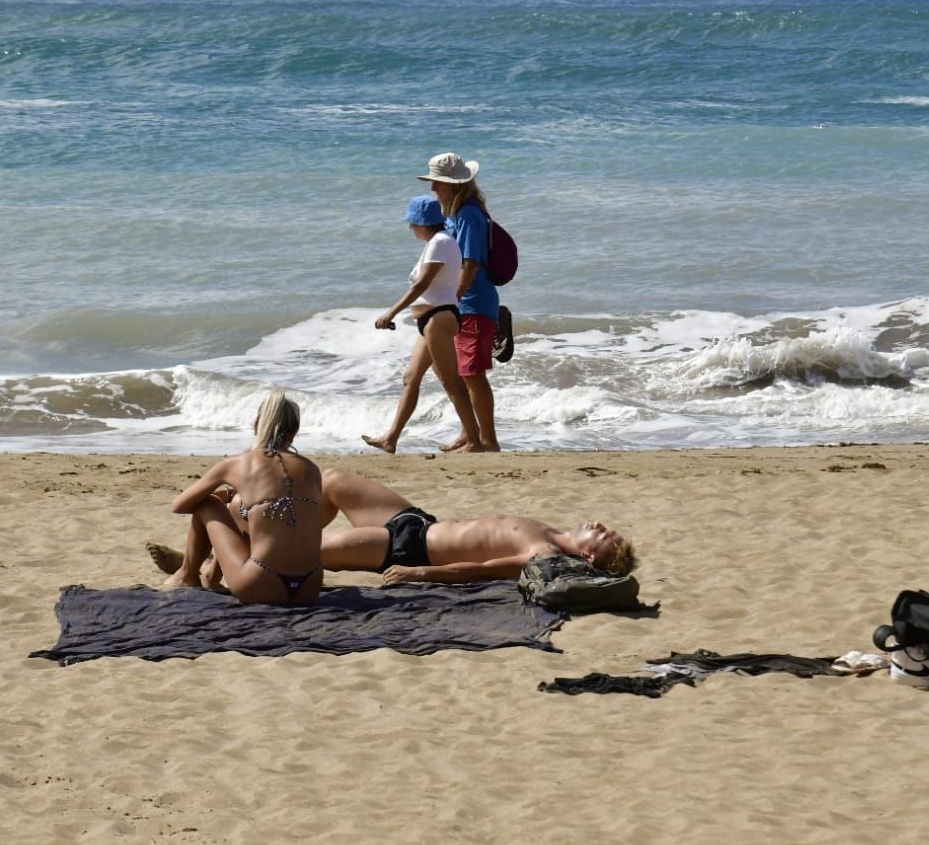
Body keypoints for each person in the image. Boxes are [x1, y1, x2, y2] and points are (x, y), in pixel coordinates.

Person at [316, 467, 637, 584]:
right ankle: (290, 535)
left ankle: (279, 549)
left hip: (407, 550)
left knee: (308, 551)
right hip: (417, 521)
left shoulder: (544, 555)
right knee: (332, 481)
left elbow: (481, 569)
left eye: (603, 535)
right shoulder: (552, 532)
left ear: (589, 556)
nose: (599, 525)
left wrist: (419, 573)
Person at [158, 390, 326, 606]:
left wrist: (222, 494)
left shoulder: (240, 463)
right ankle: (210, 574)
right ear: (295, 432)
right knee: (241, 507)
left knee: (208, 503)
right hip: (308, 590)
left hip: (260, 585)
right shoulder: (312, 470)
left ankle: (186, 575)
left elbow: (179, 505)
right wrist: (236, 497)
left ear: (257, 425)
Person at [361, 195, 485, 455]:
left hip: (439, 318)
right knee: (410, 378)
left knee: (451, 382)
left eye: (413, 223)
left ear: (422, 223)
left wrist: (391, 313)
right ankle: (390, 438)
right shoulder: (437, 242)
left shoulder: (440, 242)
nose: (410, 228)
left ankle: (474, 441)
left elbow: (422, 284)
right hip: (430, 319)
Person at [418, 152, 501, 452]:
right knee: (462, 373)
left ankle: (488, 441)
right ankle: (471, 435)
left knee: (472, 374)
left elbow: (471, 263)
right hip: (467, 304)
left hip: (473, 304)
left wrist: (453, 300)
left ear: (454, 185)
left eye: (437, 184)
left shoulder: (467, 214)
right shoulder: (459, 213)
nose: (433, 190)